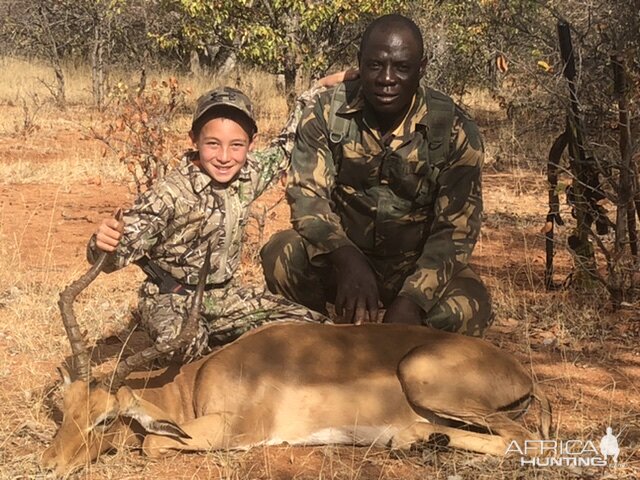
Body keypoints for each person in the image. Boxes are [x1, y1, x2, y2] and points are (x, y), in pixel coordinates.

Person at [260, 14, 493, 336]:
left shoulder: (454, 128)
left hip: (414, 264)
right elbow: (307, 197)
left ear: (422, 68)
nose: (387, 78)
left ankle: (408, 368)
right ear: (359, 62)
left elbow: (456, 230)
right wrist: (346, 259)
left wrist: (413, 298)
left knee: (469, 306)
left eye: (401, 67)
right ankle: (317, 348)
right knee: (281, 254)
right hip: (341, 254)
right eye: (374, 65)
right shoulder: (326, 112)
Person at [88, 82, 344, 361]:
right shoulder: (169, 193)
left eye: (237, 145)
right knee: (184, 344)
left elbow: (287, 146)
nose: (224, 157)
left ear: (251, 144)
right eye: (212, 144)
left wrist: (319, 88)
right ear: (194, 139)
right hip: (172, 299)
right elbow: (112, 258)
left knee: (315, 329)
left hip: (225, 298)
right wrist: (102, 244)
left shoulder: (250, 173)